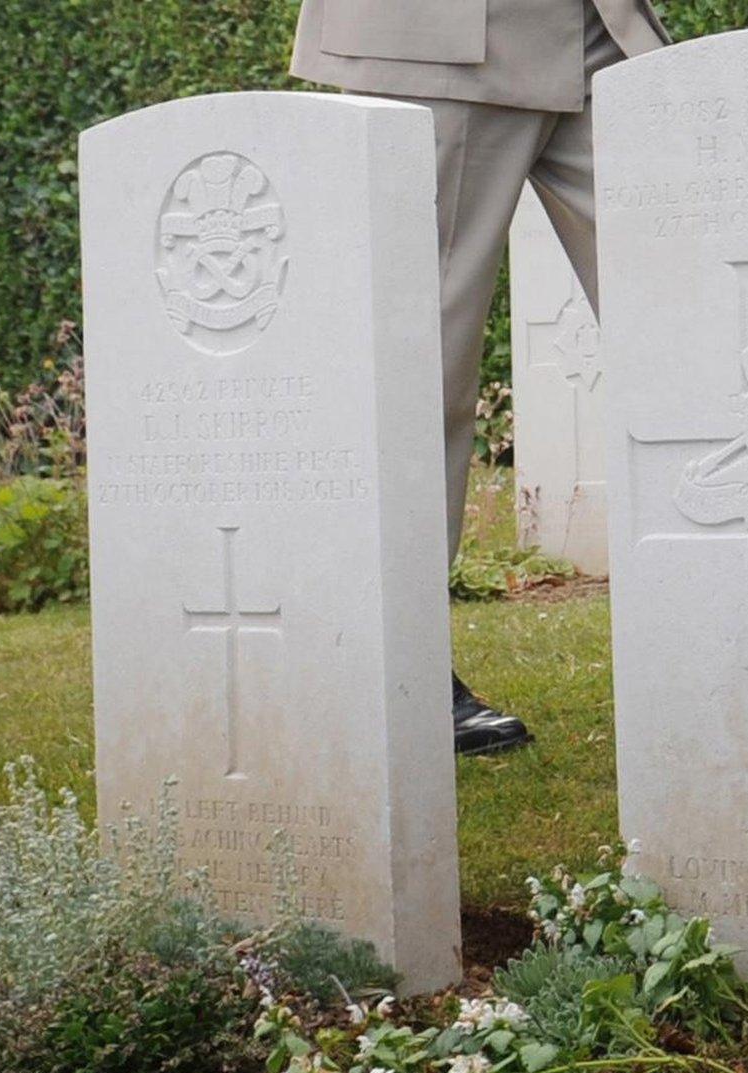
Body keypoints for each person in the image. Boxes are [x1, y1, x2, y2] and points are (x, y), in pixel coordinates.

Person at [291, 0, 669, 755]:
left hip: (599, 33)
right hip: (435, 39)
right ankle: (391, 665)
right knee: (416, 372)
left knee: (695, 324)